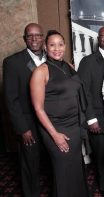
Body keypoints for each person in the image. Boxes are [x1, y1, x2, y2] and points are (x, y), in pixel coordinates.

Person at [30, 30, 89, 197]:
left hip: (74, 126)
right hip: (55, 128)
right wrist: (55, 135)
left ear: (65, 46)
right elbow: (38, 109)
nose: (57, 49)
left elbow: (77, 92)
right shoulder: (40, 72)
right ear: (45, 47)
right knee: (63, 171)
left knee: (76, 170)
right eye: (52, 45)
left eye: (60, 44)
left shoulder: (69, 67)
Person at [3, 23, 46, 197]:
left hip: (51, 122)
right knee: (30, 165)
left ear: (43, 38)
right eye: (30, 36)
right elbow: (10, 100)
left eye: (38, 35)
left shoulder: (51, 58)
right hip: (29, 124)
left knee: (52, 162)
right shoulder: (12, 62)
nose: (34, 39)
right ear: (24, 39)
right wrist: (23, 129)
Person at [77, 26, 104, 197]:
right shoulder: (88, 61)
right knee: (101, 158)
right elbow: (83, 92)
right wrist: (91, 119)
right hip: (99, 120)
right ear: (98, 39)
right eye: (103, 35)